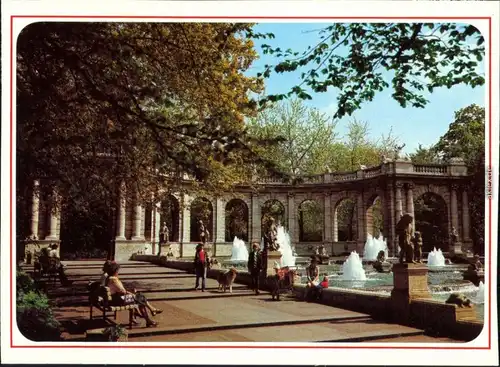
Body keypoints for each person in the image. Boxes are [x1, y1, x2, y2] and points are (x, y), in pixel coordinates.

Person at [106, 262, 160, 327]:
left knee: (140, 297)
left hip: (114, 299)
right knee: (140, 298)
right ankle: (150, 315)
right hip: (117, 300)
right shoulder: (114, 280)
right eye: (118, 270)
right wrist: (132, 294)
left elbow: (120, 290)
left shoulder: (109, 278)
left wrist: (131, 292)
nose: (118, 272)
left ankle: (150, 315)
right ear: (115, 271)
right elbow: (122, 291)